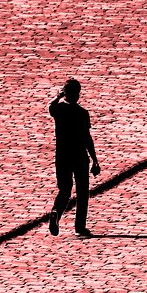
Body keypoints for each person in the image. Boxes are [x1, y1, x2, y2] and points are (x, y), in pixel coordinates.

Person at [48, 78, 100, 236]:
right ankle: (79, 227)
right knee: (83, 192)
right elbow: (87, 138)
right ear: (78, 94)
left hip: (62, 156)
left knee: (64, 190)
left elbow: (50, 106)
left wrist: (58, 96)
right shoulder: (82, 113)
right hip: (80, 157)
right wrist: (95, 159)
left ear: (65, 93)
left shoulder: (59, 111)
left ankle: (56, 212)